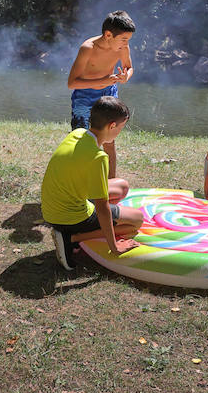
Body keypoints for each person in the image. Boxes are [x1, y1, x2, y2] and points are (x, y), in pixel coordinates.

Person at [40, 96, 145, 270]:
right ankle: (71, 238)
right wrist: (114, 246)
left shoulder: (77, 134)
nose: (120, 132)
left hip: (52, 210)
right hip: (71, 217)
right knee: (136, 221)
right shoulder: (98, 158)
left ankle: (71, 233)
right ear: (112, 126)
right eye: (121, 127)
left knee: (122, 186)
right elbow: (102, 208)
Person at [66, 11, 136, 184]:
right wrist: (102, 80)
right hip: (84, 96)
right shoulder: (88, 48)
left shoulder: (122, 47)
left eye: (128, 40)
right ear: (108, 35)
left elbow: (128, 67)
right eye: (124, 39)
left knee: (109, 140)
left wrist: (126, 76)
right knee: (82, 140)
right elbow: (72, 83)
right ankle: (78, 184)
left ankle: (109, 184)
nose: (126, 44)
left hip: (108, 93)